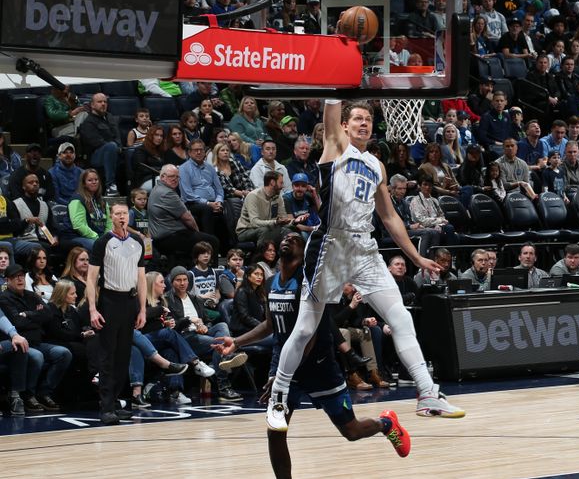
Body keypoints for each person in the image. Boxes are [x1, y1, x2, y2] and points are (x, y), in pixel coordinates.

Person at [268, 100, 464, 431]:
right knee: (304, 328)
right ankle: (279, 396)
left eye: (369, 119)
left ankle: (428, 393)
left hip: (365, 248)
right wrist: (336, 86)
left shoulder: (376, 164)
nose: (364, 123)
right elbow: (332, 111)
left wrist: (416, 257)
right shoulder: (335, 146)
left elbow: (388, 216)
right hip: (332, 246)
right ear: (344, 125)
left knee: (401, 316)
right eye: (357, 118)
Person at [212, 233, 411, 478]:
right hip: (285, 363)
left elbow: (309, 335)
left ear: (305, 249)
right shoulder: (271, 282)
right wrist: (237, 341)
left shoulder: (311, 284)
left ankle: (386, 424)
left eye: (295, 238)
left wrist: (282, 377)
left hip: (319, 366)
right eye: (284, 237)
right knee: (275, 430)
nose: (286, 240)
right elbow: (269, 325)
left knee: (351, 431)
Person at [85, 203, 146, 425]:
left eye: (124, 213)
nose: (122, 217)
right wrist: (93, 308)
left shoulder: (137, 242)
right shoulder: (102, 242)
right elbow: (91, 279)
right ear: (111, 217)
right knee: (107, 356)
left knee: (123, 356)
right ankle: (106, 406)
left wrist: (143, 309)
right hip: (110, 300)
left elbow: (141, 278)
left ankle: (118, 401)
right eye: (117, 214)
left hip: (130, 301)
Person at [164, 265, 245, 402]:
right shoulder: (167, 299)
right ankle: (224, 387)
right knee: (219, 344)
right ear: (172, 282)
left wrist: (205, 327)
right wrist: (190, 321)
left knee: (222, 325)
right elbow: (172, 327)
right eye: (178, 280)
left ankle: (225, 356)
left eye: (185, 279)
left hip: (201, 334)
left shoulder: (195, 298)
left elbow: (206, 320)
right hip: (185, 337)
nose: (182, 283)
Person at [0, 264, 70, 414]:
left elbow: (48, 314)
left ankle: (44, 392)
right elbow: (17, 322)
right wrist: (35, 316)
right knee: (36, 356)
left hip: (38, 342)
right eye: (15, 277)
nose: (20, 279)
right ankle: (28, 395)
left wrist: (28, 314)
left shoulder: (31, 295)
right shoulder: (4, 299)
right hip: (20, 343)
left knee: (64, 353)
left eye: (21, 275)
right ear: (7, 280)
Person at [148, 165, 220, 262]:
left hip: (162, 235)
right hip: (168, 237)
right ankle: (211, 271)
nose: (175, 179)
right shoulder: (167, 193)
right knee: (212, 241)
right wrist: (198, 234)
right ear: (162, 177)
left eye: (177, 177)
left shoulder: (157, 188)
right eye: (171, 176)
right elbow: (187, 218)